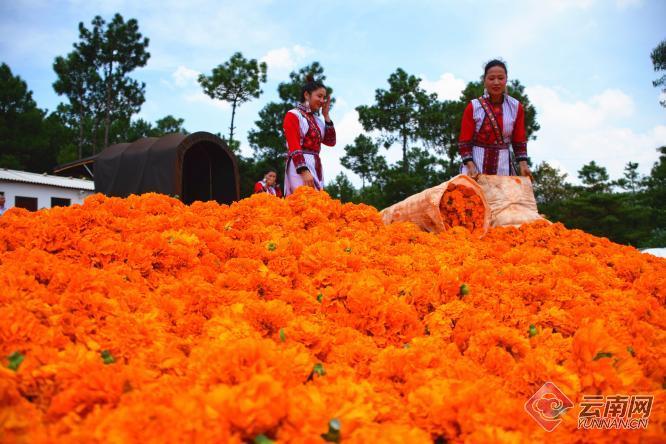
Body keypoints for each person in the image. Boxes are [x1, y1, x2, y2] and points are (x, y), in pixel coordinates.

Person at [459, 59, 531, 179]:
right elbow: (464, 142)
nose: (496, 82)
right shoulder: (474, 106)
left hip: (503, 168)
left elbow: (519, 139)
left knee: (504, 198)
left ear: (506, 80)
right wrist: (470, 166)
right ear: (484, 81)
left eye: (500, 78)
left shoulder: (515, 106)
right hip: (475, 167)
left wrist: (523, 165)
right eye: (491, 78)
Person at [282, 75, 336, 196]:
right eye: (319, 96)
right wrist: (303, 170)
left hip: (316, 164)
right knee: (302, 202)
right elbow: (293, 144)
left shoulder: (318, 120)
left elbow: (330, 141)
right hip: (300, 166)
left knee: (317, 204)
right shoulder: (293, 115)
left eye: (324, 97)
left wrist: (326, 115)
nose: (322, 101)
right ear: (307, 95)